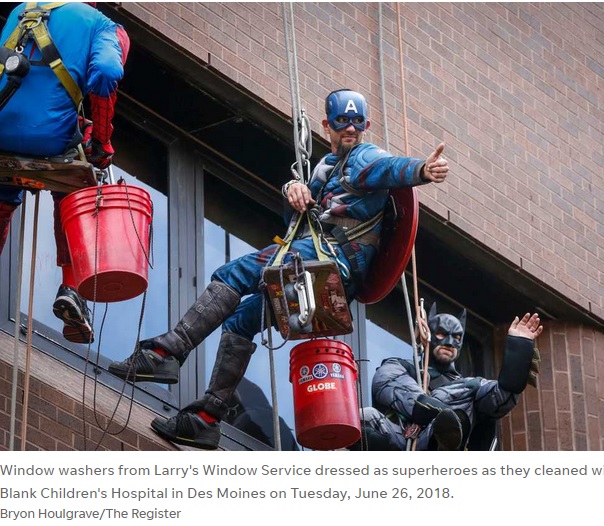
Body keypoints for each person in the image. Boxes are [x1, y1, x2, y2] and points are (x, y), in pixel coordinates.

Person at [108, 88, 449, 450]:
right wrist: (293, 190)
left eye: (357, 122)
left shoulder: (365, 156)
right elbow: (295, 223)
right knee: (240, 320)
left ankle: (165, 353)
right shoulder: (323, 168)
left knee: (232, 274)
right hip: (321, 268)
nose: (350, 129)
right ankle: (206, 418)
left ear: (366, 124)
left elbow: (388, 168)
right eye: (342, 122)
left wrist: (421, 171)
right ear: (326, 125)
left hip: (328, 259)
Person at [0, 2, 129, 343]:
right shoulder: (103, 25)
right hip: (48, 138)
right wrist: (102, 141)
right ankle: (72, 287)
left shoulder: (19, 12)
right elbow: (105, 72)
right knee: (76, 182)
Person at [356, 306, 542, 451]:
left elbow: (499, 397)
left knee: (468, 392)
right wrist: (427, 405)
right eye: (442, 334)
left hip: (442, 448)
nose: (449, 342)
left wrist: (518, 354)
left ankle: (444, 440)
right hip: (400, 439)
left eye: (456, 337)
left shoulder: (470, 387)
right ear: (427, 333)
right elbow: (385, 382)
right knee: (364, 416)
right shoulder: (402, 366)